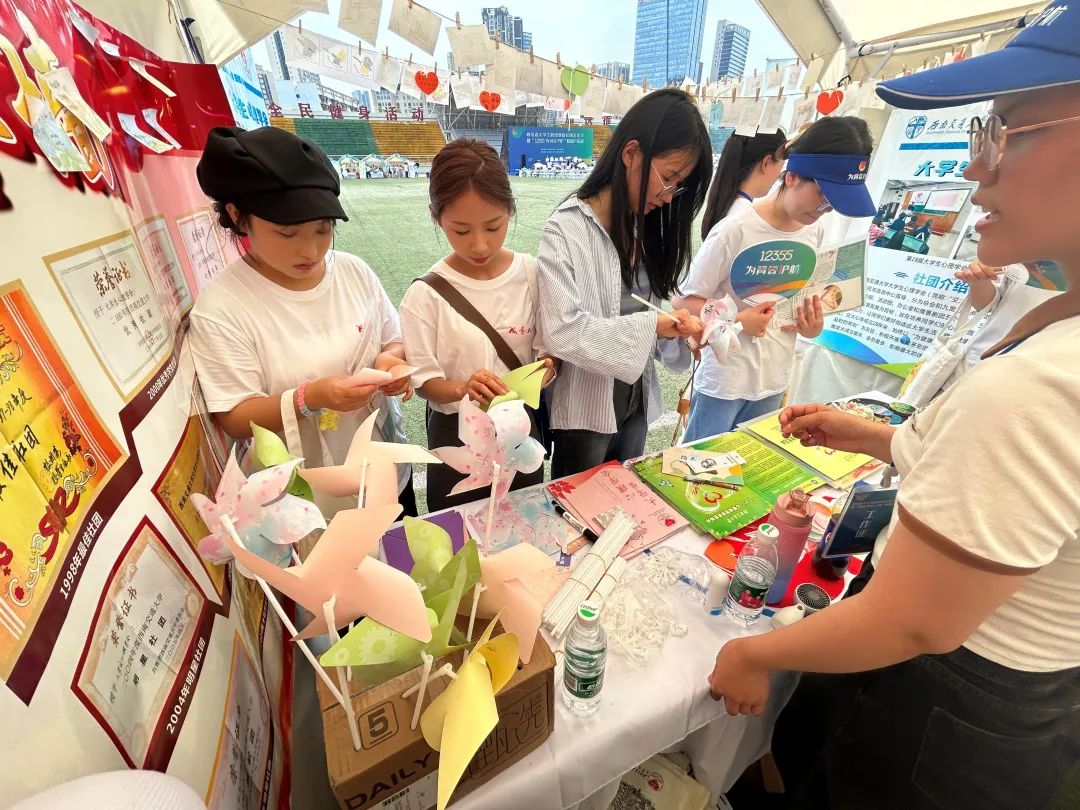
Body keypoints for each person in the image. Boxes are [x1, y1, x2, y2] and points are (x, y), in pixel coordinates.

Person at [707, 5, 1080, 807]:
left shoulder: (1042, 386)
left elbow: (915, 620)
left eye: (1006, 131)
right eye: (981, 134)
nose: (977, 170)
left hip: (941, 717)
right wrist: (877, 438)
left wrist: (752, 656)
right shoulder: (1058, 326)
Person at [187, 126, 419, 515]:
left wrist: (390, 362)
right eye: (287, 233)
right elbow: (235, 417)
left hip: (381, 469)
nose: (310, 250)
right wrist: (309, 398)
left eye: (323, 229)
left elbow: (391, 339)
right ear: (238, 216)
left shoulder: (353, 271)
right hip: (299, 496)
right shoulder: (222, 306)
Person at [537, 88, 709, 477]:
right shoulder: (566, 229)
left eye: (679, 185)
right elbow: (562, 331)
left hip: (636, 400)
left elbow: (644, 316)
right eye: (669, 178)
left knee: (626, 496)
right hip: (585, 412)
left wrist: (676, 330)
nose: (669, 197)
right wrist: (654, 325)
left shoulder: (642, 228)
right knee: (576, 505)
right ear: (631, 153)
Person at [673, 117, 876, 441]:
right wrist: (738, 320)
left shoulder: (815, 230)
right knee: (699, 462)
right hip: (725, 380)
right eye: (822, 195)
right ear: (792, 176)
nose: (824, 209)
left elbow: (802, 300)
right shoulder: (735, 229)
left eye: (832, 204)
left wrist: (812, 326)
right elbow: (684, 301)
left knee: (751, 461)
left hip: (773, 381)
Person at [400, 139, 556, 511]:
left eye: (493, 226)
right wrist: (463, 388)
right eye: (461, 230)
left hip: (518, 428)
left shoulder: (531, 274)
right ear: (436, 217)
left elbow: (547, 355)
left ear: (510, 210)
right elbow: (424, 382)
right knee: (460, 529)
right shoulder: (425, 295)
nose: (480, 245)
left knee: (522, 519)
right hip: (456, 435)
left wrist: (546, 370)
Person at [699, 130, 787, 241]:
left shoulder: (725, 206)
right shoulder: (747, 220)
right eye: (781, 166)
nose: (779, 174)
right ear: (766, 162)